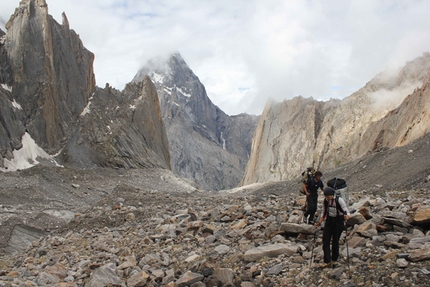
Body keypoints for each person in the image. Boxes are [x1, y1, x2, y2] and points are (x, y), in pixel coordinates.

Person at [314, 187, 351, 267]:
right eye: (326, 196)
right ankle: (327, 261)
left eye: (328, 196)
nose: (327, 198)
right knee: (325, 240)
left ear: (332, 195)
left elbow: (345, 209)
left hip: (338, 221)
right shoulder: (326, 201)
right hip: (329, 221)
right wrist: (320, 221)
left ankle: (334, 259)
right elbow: (324, 212)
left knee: (335, 241)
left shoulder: (339, 200)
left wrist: (347, 215)